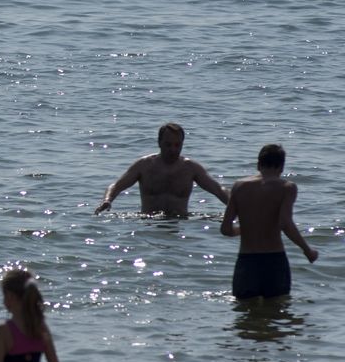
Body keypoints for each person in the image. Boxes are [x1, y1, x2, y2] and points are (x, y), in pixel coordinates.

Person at [220, 144, 318, 299]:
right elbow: (285, 223)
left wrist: (244, 228)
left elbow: (225, 229)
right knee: (276, 312)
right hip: (274, 261)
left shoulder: (239, 187)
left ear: (258, 165)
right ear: (281, 167)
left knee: (245, 317)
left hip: (247, 262)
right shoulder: (287, 187)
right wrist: (307, 250)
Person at [94, 123, 228, 217]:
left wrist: (238, 207)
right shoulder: (144, 165)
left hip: (180, 222)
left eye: (177, 145)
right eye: (168, 144)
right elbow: (116, 186)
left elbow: (218, 189)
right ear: (159, 143)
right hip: (149, 221)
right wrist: (107, 200)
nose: (173, 149)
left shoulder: (190, 168)